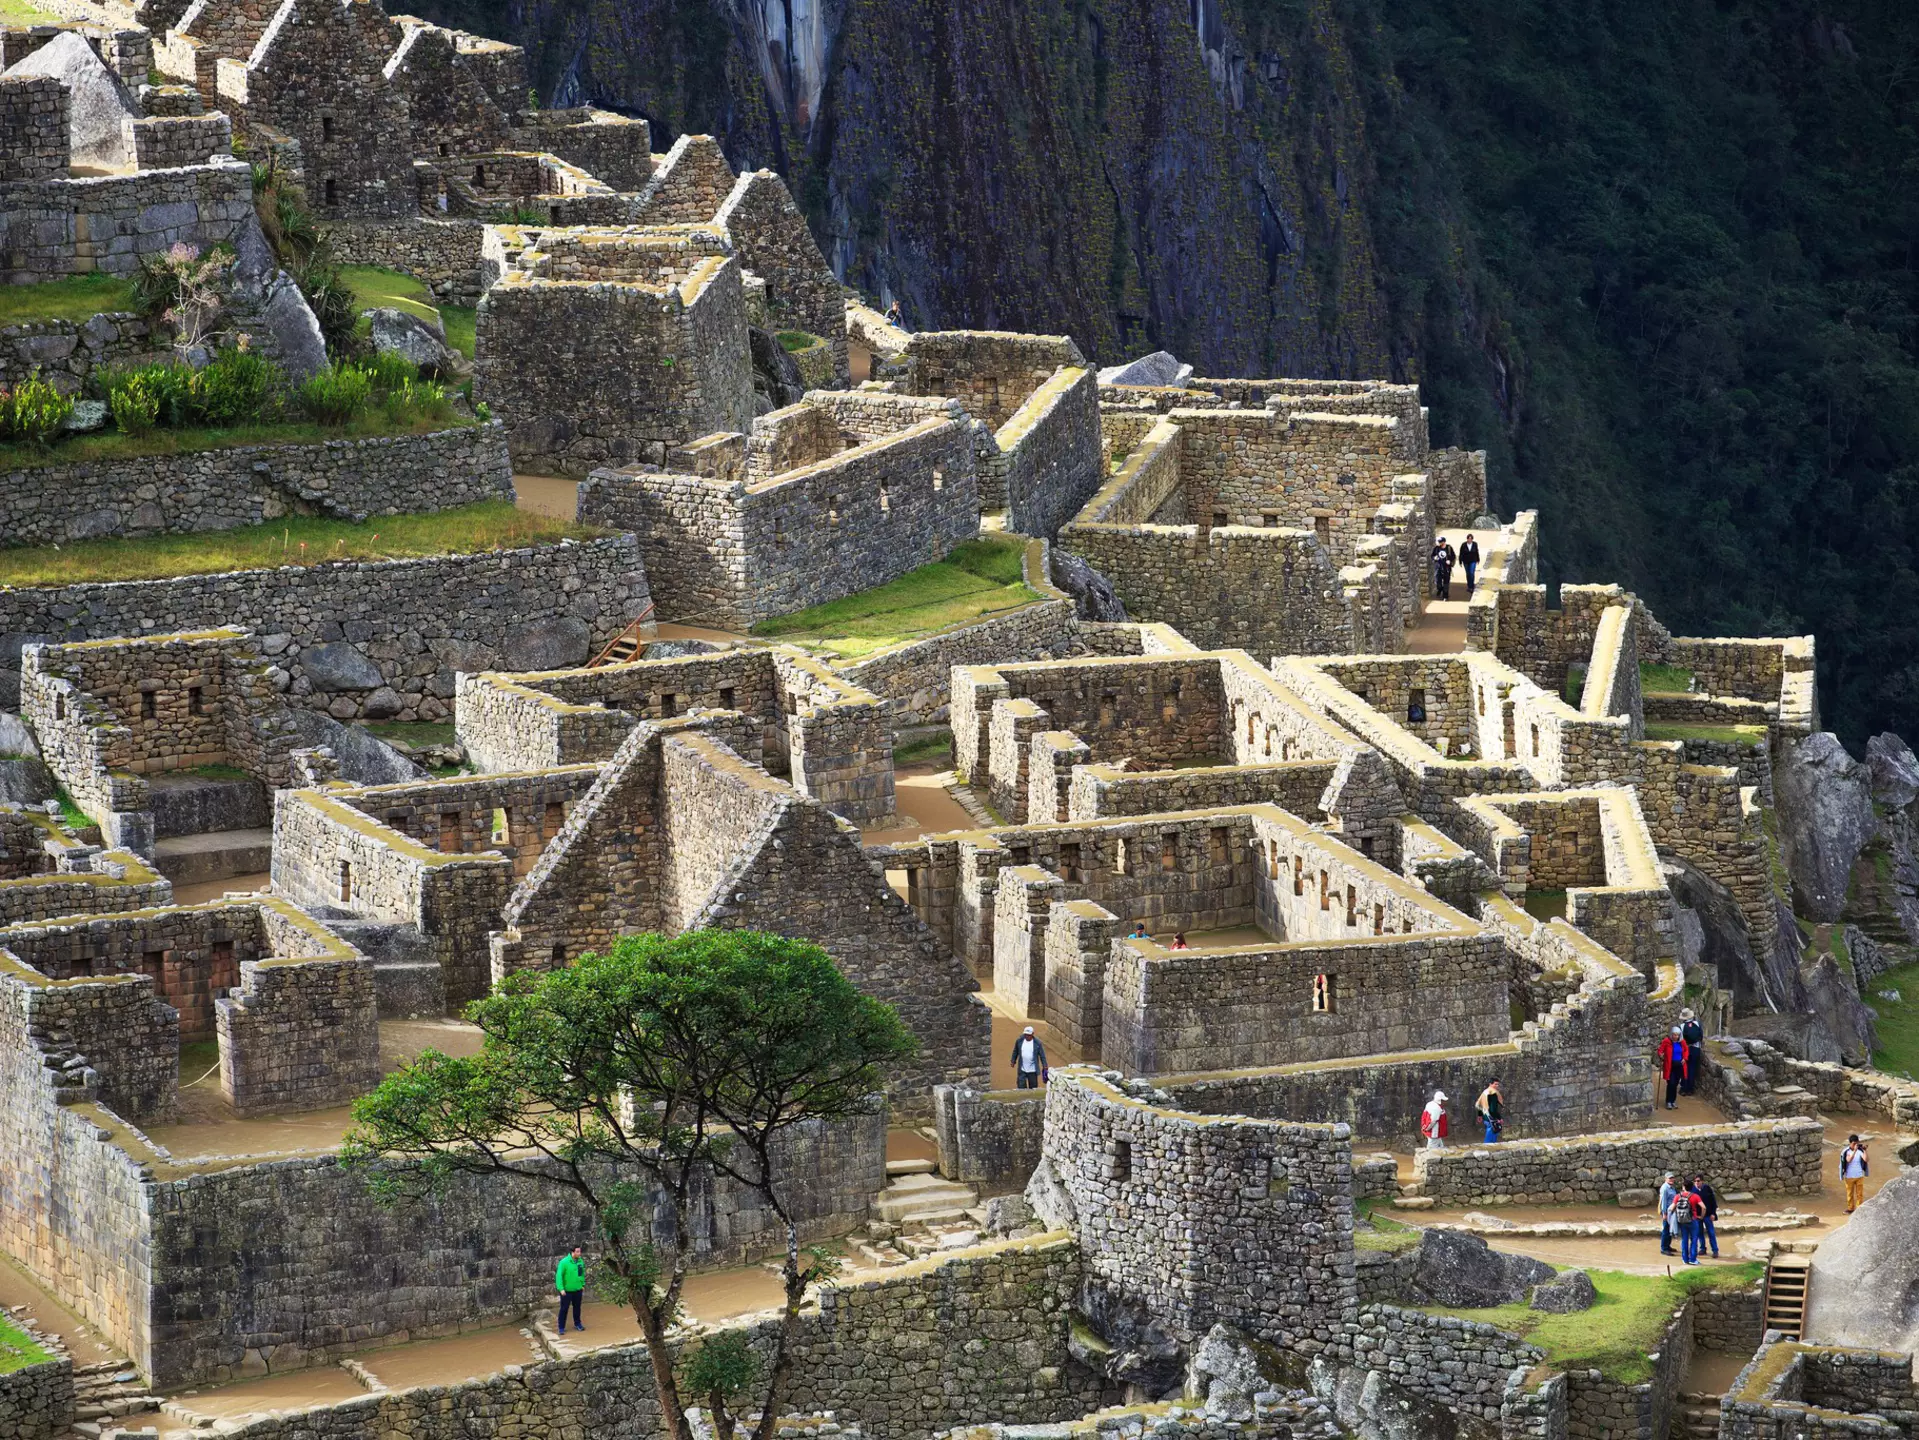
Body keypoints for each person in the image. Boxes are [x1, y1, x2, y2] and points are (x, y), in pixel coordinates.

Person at [555, 1245, 586, 1333]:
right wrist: (561, 1289)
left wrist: (582, 1284)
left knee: (577, 1308)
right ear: (572, 1252)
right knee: (564, 1309)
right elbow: (559, 1276)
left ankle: (578, 1324)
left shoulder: (580, 1261)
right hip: (566, 1291)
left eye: (580, 1251)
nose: (579, 1253)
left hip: (577, 1290)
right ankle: (561, 1327)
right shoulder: (564, 1262)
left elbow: (581, 1274)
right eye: (577, 1252)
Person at [1656, 1025, 1688, 1109]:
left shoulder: (1682, 1042)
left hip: (1679, 1066)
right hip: (1670, 1066)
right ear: (1671, 1034)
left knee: (1676, 1084)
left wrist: (1684, 1058)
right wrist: (1661, 1055)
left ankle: (1673, 1101)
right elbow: (1660, 1050)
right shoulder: (1666, 1041)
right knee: (1671, 1083)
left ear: (1679, 1035)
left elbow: (1686, 1050)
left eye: (1677, 1035)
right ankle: (1668, 1101)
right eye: (1674, 1034)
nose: (1675, 1036)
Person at [1672, 1183, 1704, 1264]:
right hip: (1693, 1220)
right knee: (1694, 1239)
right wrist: (1701, 1216)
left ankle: (1685, 1259)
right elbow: (1703, 1207)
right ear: (1692, 1187)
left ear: (1683, 1187)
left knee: (1684, 1239)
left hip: (1682, 1221)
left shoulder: (1677, 1196)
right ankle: (1693, 1259)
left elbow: (1672, 1208)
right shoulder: (1695, 1196)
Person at [1690, 1174, 1720, 1258]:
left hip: (1708, 1215)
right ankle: (1702, 1248)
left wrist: (1713, 1213)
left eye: (1698, 1181)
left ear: (1702, 1181)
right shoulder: (1692, 1190)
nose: (1696, 1182)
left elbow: (1713, 1201)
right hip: (1697, 1216)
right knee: (1699, 1233)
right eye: (1695, 1181)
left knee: (1711, 1232)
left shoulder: (1707, 1188)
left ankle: (1715, 1250)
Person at [1841, 1134, 1870, 1213]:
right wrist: (1854, 1151)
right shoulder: (1847, 1151)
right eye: (1853, 1143)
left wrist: (1865, 1150)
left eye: (1856, 1143)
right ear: (1850, 1143)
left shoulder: (1860, 1151)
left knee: (1859, 1194)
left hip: (1859, 1176)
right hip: (1849, 1176)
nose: (1855, 1145)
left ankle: (1859, 1209)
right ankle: (1850, 1208)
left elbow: (1866, 1159)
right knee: (1849, 1194)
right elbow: (1849, 1160)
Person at [1680, 1009, 1705, 1094]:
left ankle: (1684, 1088)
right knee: (1692, 1068)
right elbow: (1701, 1036)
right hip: (1696, 1049)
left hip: (1686, 1049)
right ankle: (1690, 1089)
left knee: (1684, 1068)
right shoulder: (1697, 1024)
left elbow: (1680, 1040)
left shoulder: (1682, 1026)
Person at [1474, 1079, 1504, 1144]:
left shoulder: (1485, 1092)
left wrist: (1480, 1115)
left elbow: (1480, 1104)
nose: (1497, 1086)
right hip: (1491, 1117)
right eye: (1495, 1084)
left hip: (1485, 1116)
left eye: (1498, 1084)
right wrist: (1499, 1118)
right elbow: (1493, 1109)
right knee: (1491, 1138)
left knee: (1490, 1133)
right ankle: (1488, 1150)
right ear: (1490, 1084)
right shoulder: (1493, 1093)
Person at [1658, 1172, 1680, 1255]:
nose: (1671, 1179)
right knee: (1666, 1229)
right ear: (1665, 1179)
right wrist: (1664, 1214)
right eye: (1669, 1178)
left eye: (1672, 1178)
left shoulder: (1672, 1187)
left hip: (1672, 1211)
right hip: (1667, 1212)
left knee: (1670, 1229)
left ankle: (1668, 1246)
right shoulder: (1665, 1188)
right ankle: (1663, 1248)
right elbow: (1664, 1202)